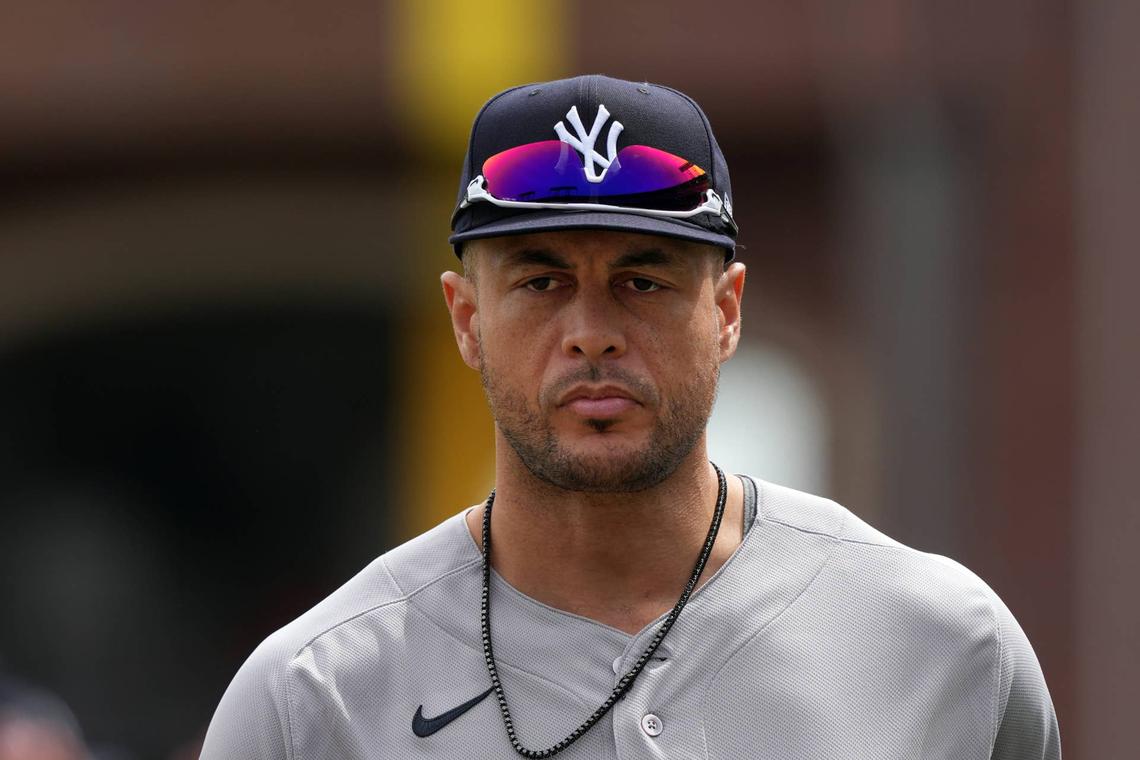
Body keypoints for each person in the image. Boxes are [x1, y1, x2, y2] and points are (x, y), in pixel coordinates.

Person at [201, 74, 1060, 759]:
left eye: (643, 281)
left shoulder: (941, 645)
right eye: (541, 282)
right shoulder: (314, 696)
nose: (592, 333)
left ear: (726, 312)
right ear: (467, 320)